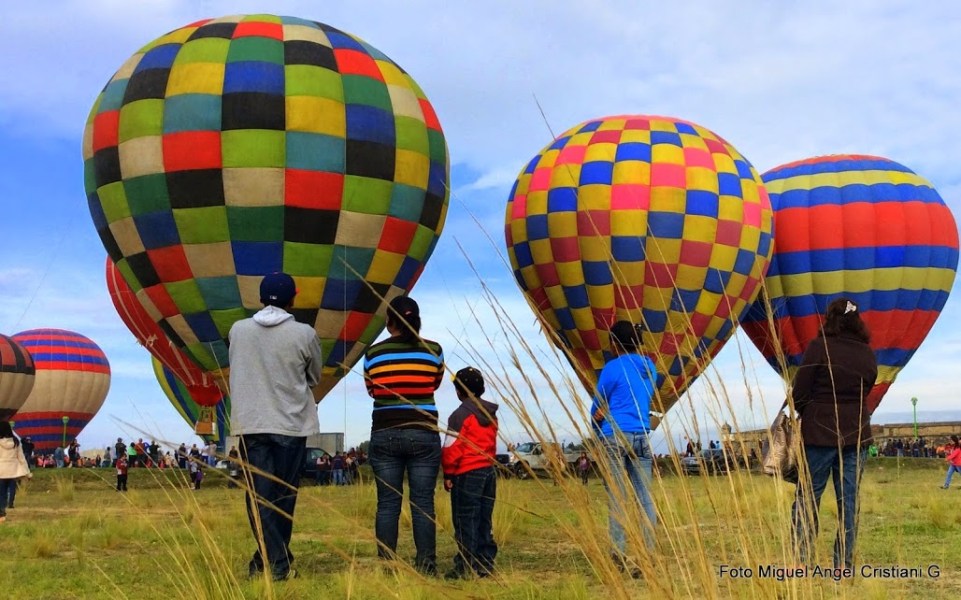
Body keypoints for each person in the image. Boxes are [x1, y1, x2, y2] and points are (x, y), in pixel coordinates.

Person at [229, 272, 323, 582]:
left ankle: (265, 558)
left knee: (258, 495)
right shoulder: (305, 334)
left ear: (259, 297)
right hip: (290, 424)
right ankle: (279, 563)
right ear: (293, 299)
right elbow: (314, 377)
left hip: (251, 423)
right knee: (284, 496)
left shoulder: (238, 331)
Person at [791, 297, 877, 572]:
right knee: (848, 501)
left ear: (829, 319)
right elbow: (867, 388)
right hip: (856, 435)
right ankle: (844, 564)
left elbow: (799, 391)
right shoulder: (866, 352)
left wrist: (813, 411)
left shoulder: (818, 348)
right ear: (857, 321)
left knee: (807, 498)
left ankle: (802, 562)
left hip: (819, 434)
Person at [364, 295, 444, 575]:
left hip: (385, 432)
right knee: (423, 502)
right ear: (417, 320)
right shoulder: (434, 350)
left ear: (389, 322)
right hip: (423, 432)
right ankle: (427, 566)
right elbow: (434, 384)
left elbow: (372, 391)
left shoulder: (373, 353)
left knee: (387, 503)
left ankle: (388, 567)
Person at [591, 320, 658, 577]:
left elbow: (597, 406)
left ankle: (617, 555)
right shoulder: (649, 367)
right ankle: (648, 556)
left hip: (614, 436)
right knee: (645, 498)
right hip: (641, 435)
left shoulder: (611, 368)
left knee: (618, 497)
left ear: (615, 344)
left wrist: (597, 430)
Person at [441, 367, 499, 579]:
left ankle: (465, 564)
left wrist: (448, 474)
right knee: (484, 517)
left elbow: (451, 449)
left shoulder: (459, 416)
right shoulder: (491, 414)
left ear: (459, 391)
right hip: (488, 471)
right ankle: (485, 563)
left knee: (465, 518)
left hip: (467, 473)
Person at [0, 423, 31, 518]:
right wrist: (27, 472)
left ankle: (1, 512)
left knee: (1, 493)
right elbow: (21, 458)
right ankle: (11, 504)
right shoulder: (16, 442)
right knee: (12, 489)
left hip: (1, 470)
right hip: (14, 470)